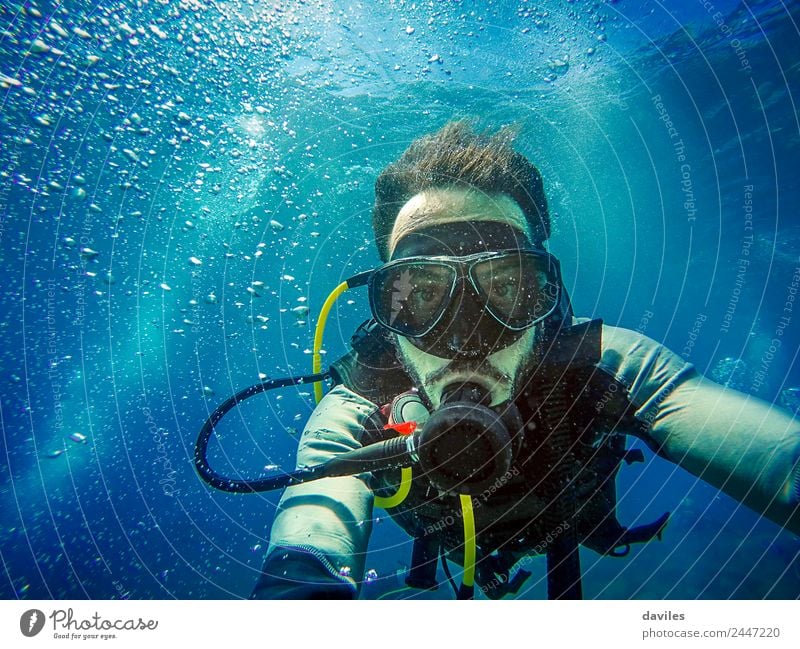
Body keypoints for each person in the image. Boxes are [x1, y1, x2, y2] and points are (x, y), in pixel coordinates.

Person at [250, 121, 800, 599]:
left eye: (507, 286)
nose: (465, 339)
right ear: (387, 303)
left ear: (546, 298)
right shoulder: (363, 399)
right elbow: (313, 525)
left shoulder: (605, 364)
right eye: (420, 294)